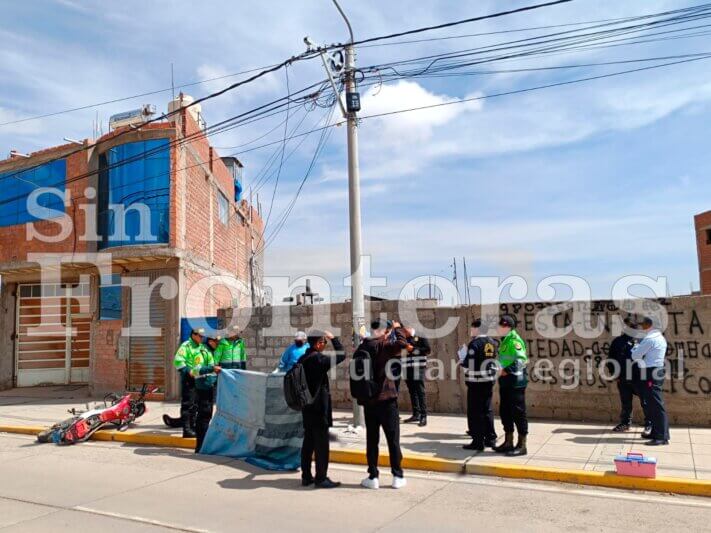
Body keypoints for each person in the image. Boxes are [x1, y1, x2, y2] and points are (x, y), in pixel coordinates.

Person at [358, 319, 411, 490]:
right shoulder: (384, 345)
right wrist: (398, 328)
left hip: (368, 401)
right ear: (385, 331)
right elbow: (402, 343)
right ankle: (397, 475)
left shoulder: (363, 346)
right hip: (386, 399)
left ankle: (373, 476)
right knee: (392, 439)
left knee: (372, 440)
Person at [299, 329, 345, 488]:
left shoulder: (303, 357)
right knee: (321, 445)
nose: (325, 345)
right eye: (324, 342)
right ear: (319, 343)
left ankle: (306, 476)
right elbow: (341, 355)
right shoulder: (318, 359)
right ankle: (321, 478)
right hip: (319, 409)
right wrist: (334, 339)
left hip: (307, 407)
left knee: (308, 443)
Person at [460, 319, 499, 451]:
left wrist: (462, 358)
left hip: (476, 383)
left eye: (472, 328)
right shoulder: (493, 342)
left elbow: (468, 364)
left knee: (476, 412)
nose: (471, 331)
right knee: (487, 410)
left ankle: (477, 441)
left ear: (477, 329)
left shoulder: (474, 344)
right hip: (488, 381)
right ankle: (491, 439)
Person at [607, 318, 651, 435]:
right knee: (626, 402)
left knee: (645, 402)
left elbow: (649, 359)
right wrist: (614, 374)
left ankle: (649, 424)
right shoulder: (618, 341)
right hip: (623, 378)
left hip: (640, 378)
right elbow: (611, 359)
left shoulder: (643, 341)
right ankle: (625, 423)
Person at [493, 315, 529, 457]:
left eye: (501, 326)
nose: (499, 328)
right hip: (506, 381)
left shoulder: (514, 341)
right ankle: (508, 441)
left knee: (518, 412)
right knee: (505, 411)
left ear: (508, 327)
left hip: (516, 382)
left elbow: (521, 360)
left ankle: (522, 445)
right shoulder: (505, 341)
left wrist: (506, 370)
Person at [632, 316, 670, 446]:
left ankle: (662, 436)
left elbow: (635, 355)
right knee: (653, 403)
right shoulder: (660, 337)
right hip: (657, 370)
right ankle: (656, 432)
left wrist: (635, 349)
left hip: (651, 372)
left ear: (648, 325)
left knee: (656, 404)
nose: (641, 327)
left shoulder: (649, 339)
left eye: (643, 325)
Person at [193, 335, 221, 452]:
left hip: (209, 387)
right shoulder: (201, 351)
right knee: (203, 416)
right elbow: (196, 369)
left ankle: (204, 445)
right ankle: (200, 446)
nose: (218, 344)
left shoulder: (213, 351)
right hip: (202, 387)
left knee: (207, 415)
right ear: (211, 341)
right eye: (217, 341)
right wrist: (212, 369)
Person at [402, 326, 431, 427]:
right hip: (406, 368)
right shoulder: (403, 338)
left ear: (409, 328)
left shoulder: (420, 335)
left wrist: (413, 349)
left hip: (418, 368)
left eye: (404, 331)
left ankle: (423, 416)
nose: (403, 334)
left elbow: (427, 350)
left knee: (420, 391)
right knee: (412, 391)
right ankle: (416, 414)